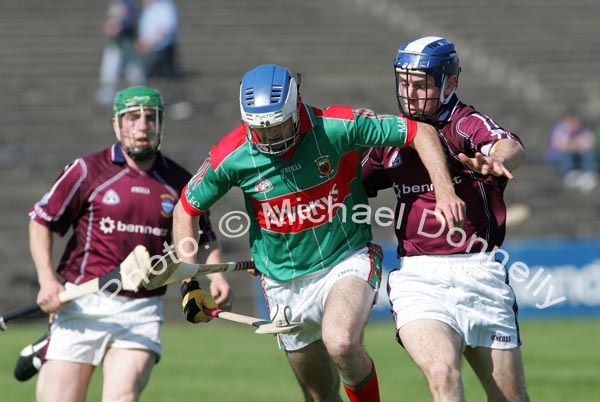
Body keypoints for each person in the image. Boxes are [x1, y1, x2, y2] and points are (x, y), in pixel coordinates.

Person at [173, 63, 465, 402]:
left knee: (341, 341)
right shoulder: (233, 155)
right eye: (260, 130)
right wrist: (188, 283)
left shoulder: (336, 126)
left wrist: (445, 190)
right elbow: (186, 209)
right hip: (284, 283)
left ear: (296, 108)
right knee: (320, 396)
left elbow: (418, 132)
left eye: (278, 127)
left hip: (346, 258)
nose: (270, 140)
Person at [28, 86, 231, 402]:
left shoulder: (180, 181)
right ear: (116, 125)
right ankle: (50, 343)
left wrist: (217, 276)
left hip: (140, 309)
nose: (141, 125)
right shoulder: (87, 171)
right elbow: (41, 220)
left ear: (160, 124)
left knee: (121, 397)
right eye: (132, 117)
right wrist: (46, 280)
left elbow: (203, 238)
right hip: (82, 302)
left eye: (150, 117)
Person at [362, 36, 529, 402]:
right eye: (405, 81)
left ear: (449, 83)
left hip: (479, 274)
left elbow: (507, 145)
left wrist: (499, 159)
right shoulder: (390, 136)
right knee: (442, 374)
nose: (410, 91)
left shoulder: (465, 123)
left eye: (421, 83)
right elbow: (348, 188)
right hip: (419, 279)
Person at [95, 0, 146, 105]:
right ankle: (107, 96)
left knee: (134, 71)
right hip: (115, 43)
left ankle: (140, 95)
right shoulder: (115, 2)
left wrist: (120, 25)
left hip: (127, 43)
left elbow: (132, 19)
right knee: (109, 71)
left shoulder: (129, 2)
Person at [547, 110, 597, 193]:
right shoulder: (559, 129)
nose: (575, 124)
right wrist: (576, 145)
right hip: (559, 158)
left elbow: (590, 144)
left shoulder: (583, 130)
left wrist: (574, 145)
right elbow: (560, 145)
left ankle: (589, 174)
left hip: (579, 156)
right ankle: (570, 174)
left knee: (588, 153)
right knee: (566, 153)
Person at [136, 0, 180, 80]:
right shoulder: (148, 7)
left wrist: (149, 43)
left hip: (162, 48)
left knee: (152, 76)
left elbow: (166, 29)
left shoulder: (165, 6)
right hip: (149, 49)